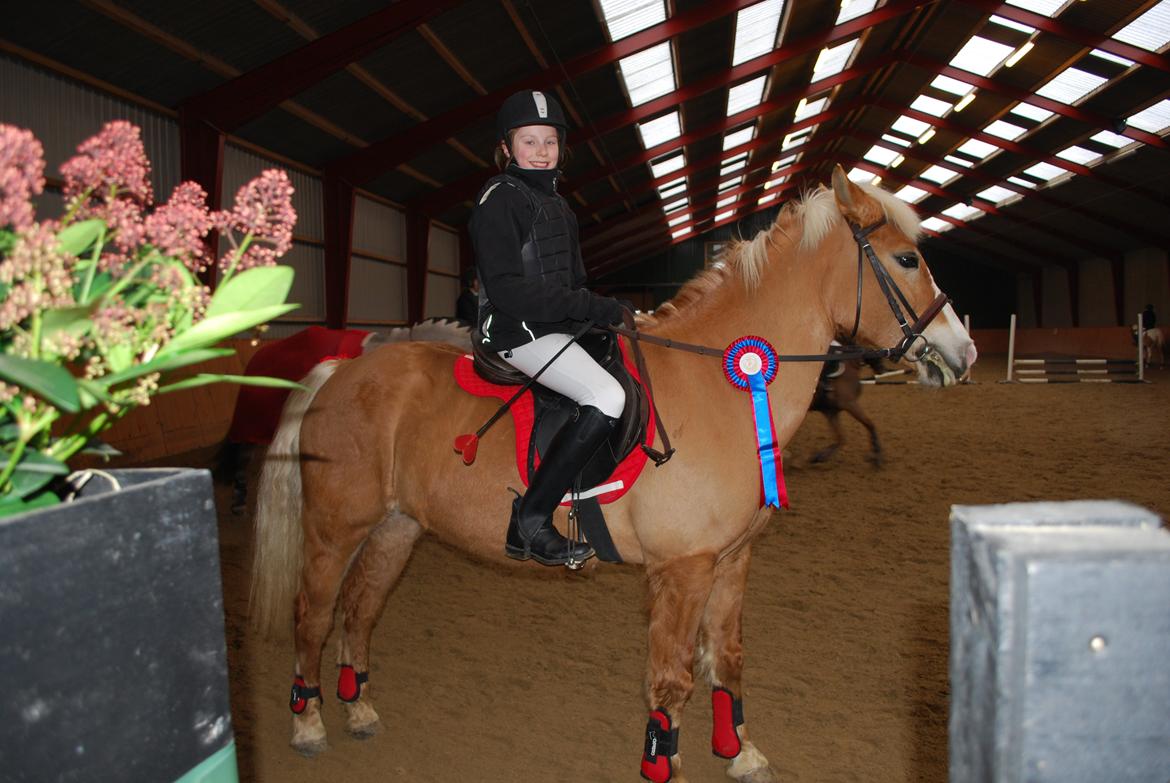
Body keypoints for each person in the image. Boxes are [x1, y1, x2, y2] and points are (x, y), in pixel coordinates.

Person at [469, 89, 627, 567]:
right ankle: (532, 520)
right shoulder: (500, 200)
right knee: (607, 396)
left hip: (554, 327)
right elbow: (509, 291)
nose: (540, 150)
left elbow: (572, 281)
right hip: (516, 332)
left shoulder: (561, 207)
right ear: (507, 148)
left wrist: (595, 313)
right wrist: (588, 306)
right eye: (529, 140)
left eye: (549, 141)